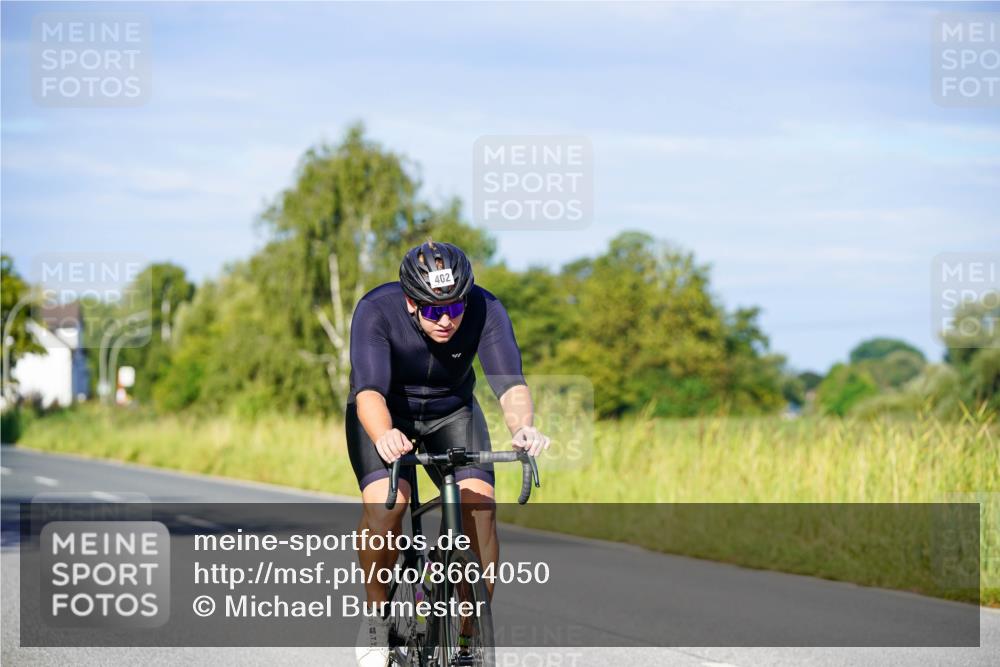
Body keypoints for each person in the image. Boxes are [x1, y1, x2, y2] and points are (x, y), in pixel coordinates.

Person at [348, 240, 550, 667]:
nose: (446, 320)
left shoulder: (486, 308)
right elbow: (368, 391)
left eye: (455, 309)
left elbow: (510, 382)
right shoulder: (375, 309)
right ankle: (375, 618)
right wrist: (384, 434)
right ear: (410, 302)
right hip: (386, 411)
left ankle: (467, 640)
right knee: (388, 507)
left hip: (451, 411)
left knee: (480, 506)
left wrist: (523, 427)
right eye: (434, 310)